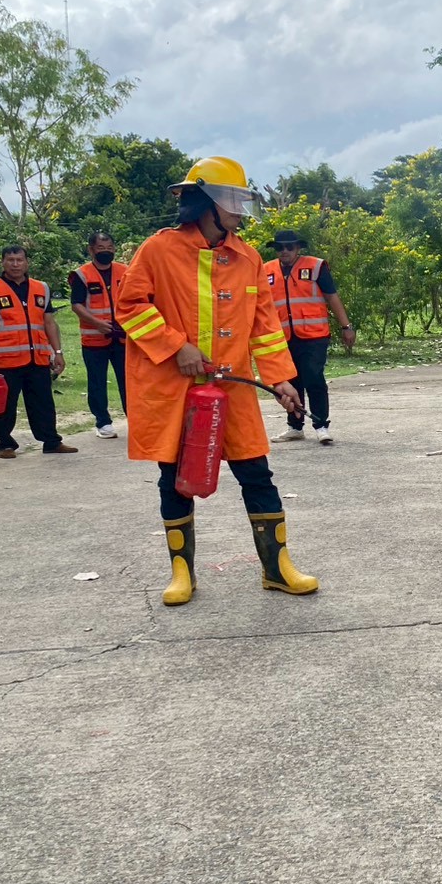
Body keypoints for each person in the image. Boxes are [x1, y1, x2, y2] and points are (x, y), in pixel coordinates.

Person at [115, 156, 318, 606]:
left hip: (234, 387)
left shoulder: (248, 259)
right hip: (175, 389)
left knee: (256, 473)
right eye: (232, 200)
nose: (240, 212)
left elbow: (264, 326)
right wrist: (176, 346)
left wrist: (281, 379)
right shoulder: (158, 250)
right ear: (205, 201)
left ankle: (277, 569)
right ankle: (182, 573)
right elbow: (129, 306)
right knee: (175, 478)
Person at [0, 245, 78, 459]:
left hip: (37, 358)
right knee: (5, 405)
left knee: (43, 403)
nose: (15, 264)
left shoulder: (41, 288)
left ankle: (51, 442)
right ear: (2, 262)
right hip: (7, 360)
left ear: (26, 262)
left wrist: (58, 352)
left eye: (19, 260)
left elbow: (49, 322)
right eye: (10, 260)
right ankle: (5, 444)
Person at [264, 229, 355, 445]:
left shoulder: (315, 266)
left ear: (298, 248)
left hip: (314, 335)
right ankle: (295, 426)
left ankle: (321, 425)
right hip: (283, 336)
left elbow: (332, 297)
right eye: (279, 247)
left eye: (289, 247)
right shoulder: (266, 270)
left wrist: (346, 326)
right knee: (290, 382)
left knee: (313, 378)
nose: (284, 251)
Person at [69, 231, 128, 438]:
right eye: (101, 248)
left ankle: (135, 418)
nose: (106, 251)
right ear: (91, 250)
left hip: (123, 337)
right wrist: (96, 323)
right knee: (97, 382)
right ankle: (103, 422)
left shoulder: (125, 271)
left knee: (128, 381)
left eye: (110, 248)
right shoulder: (81, 275)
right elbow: (76, 305)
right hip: (94, 339)